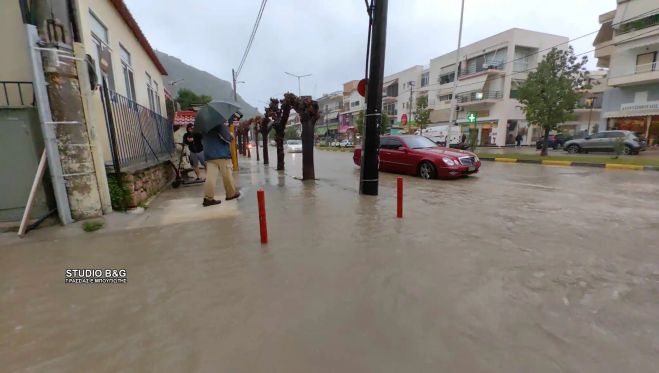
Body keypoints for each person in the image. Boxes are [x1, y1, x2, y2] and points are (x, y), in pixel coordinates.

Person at [202, 121, 240, 207]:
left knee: (210, 177)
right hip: (222, 154)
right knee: (227, 175)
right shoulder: (219, 124)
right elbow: (228, 138)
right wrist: (231, 135)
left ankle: (208, 198)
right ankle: (231, 194)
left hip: (209, 154)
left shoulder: (204, 126)